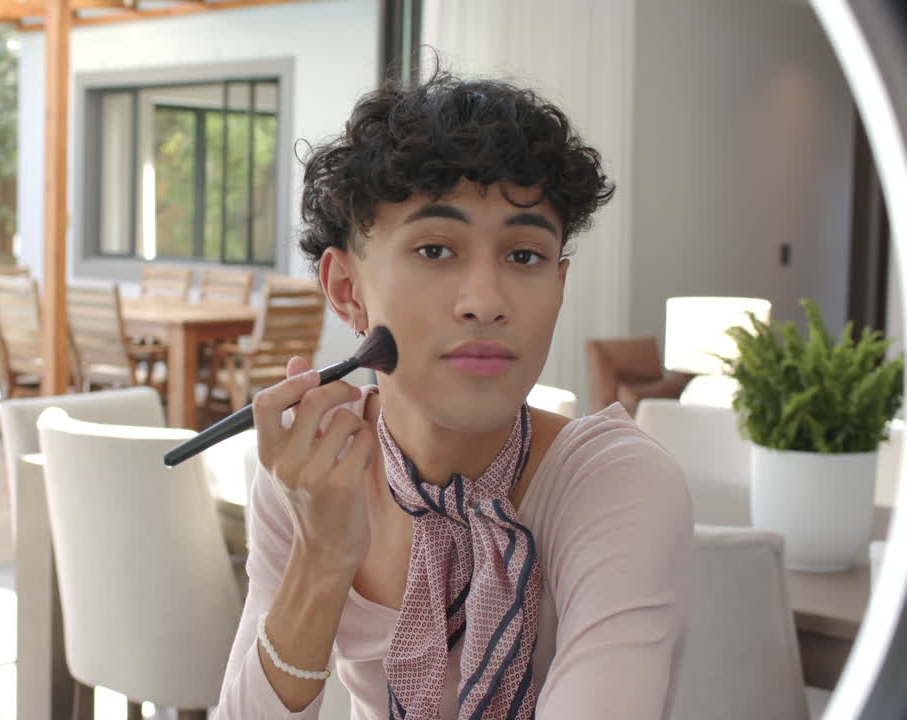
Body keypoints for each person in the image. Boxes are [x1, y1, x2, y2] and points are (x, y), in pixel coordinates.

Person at [213, 69, 693, 720]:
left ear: (559, 282)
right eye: (435, 248)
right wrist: (321, 559)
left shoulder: (615, 483)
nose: (486, 303)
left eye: (524, 257)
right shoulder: (315, 472)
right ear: (348, 291)